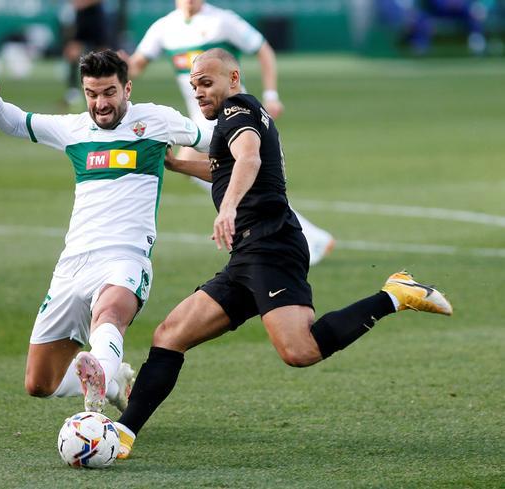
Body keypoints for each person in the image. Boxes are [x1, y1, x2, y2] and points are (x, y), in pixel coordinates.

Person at [112, 48, 453, 459]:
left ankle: (395, 294)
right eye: (193, 86)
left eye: (206, 83)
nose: (199, 92)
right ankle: (123, 434)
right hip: (248, 253)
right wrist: (179, 165)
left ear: (233, 79)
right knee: (170, 336)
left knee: (300, 350)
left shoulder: (238, 110)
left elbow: (248, 158)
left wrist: (229, 206)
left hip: (272, 245)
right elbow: (224, 165)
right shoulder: (233, 120)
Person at [0, 50, 210, 413]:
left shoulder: (158, 121)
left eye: (109, 92)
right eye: (92, 93)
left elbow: (215, 140)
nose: (100, 103)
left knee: (110, 314)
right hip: (73, 265)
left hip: (126, 258)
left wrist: (237, 144)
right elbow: (19, 122)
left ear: (127, 88)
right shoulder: (74, 129)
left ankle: (101, 372)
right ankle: (111, 380)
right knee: (39, 384)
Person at [124, 0, 335, 266]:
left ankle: (303, 234)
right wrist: (116, 67)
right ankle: (306, 234)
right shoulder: (164, 28)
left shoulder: (222, 21)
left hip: (231, 115)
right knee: (227, 174)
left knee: (244, 175)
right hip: (200, 121)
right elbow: (137, 65)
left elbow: (264, 49)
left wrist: (271, 95)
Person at [61, 0, 109, 105]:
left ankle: (105, 88)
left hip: (95, 16)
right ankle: (73, 92)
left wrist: (84, 3)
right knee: (72, 53)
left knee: (102, 56)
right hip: (82, 16)